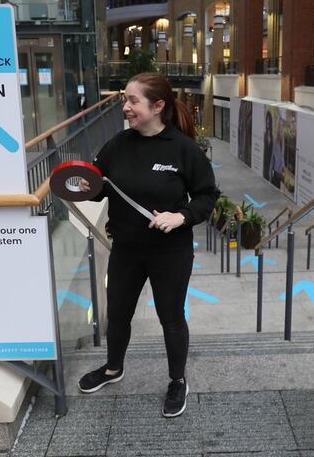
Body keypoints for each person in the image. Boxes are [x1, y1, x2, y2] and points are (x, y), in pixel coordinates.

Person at [75, 73, 219, 418]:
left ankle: (177, 380)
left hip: (170, 251)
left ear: (158, 106)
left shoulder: (184, 149)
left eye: (132, 101)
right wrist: (85, 185)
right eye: (125, 99)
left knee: (171, 317)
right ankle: (113, 369)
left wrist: (180, 217)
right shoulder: (118, 145)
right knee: (118, 314)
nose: (125, 107)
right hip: (126, 248)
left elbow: (207, 196)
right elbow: (100, 186)